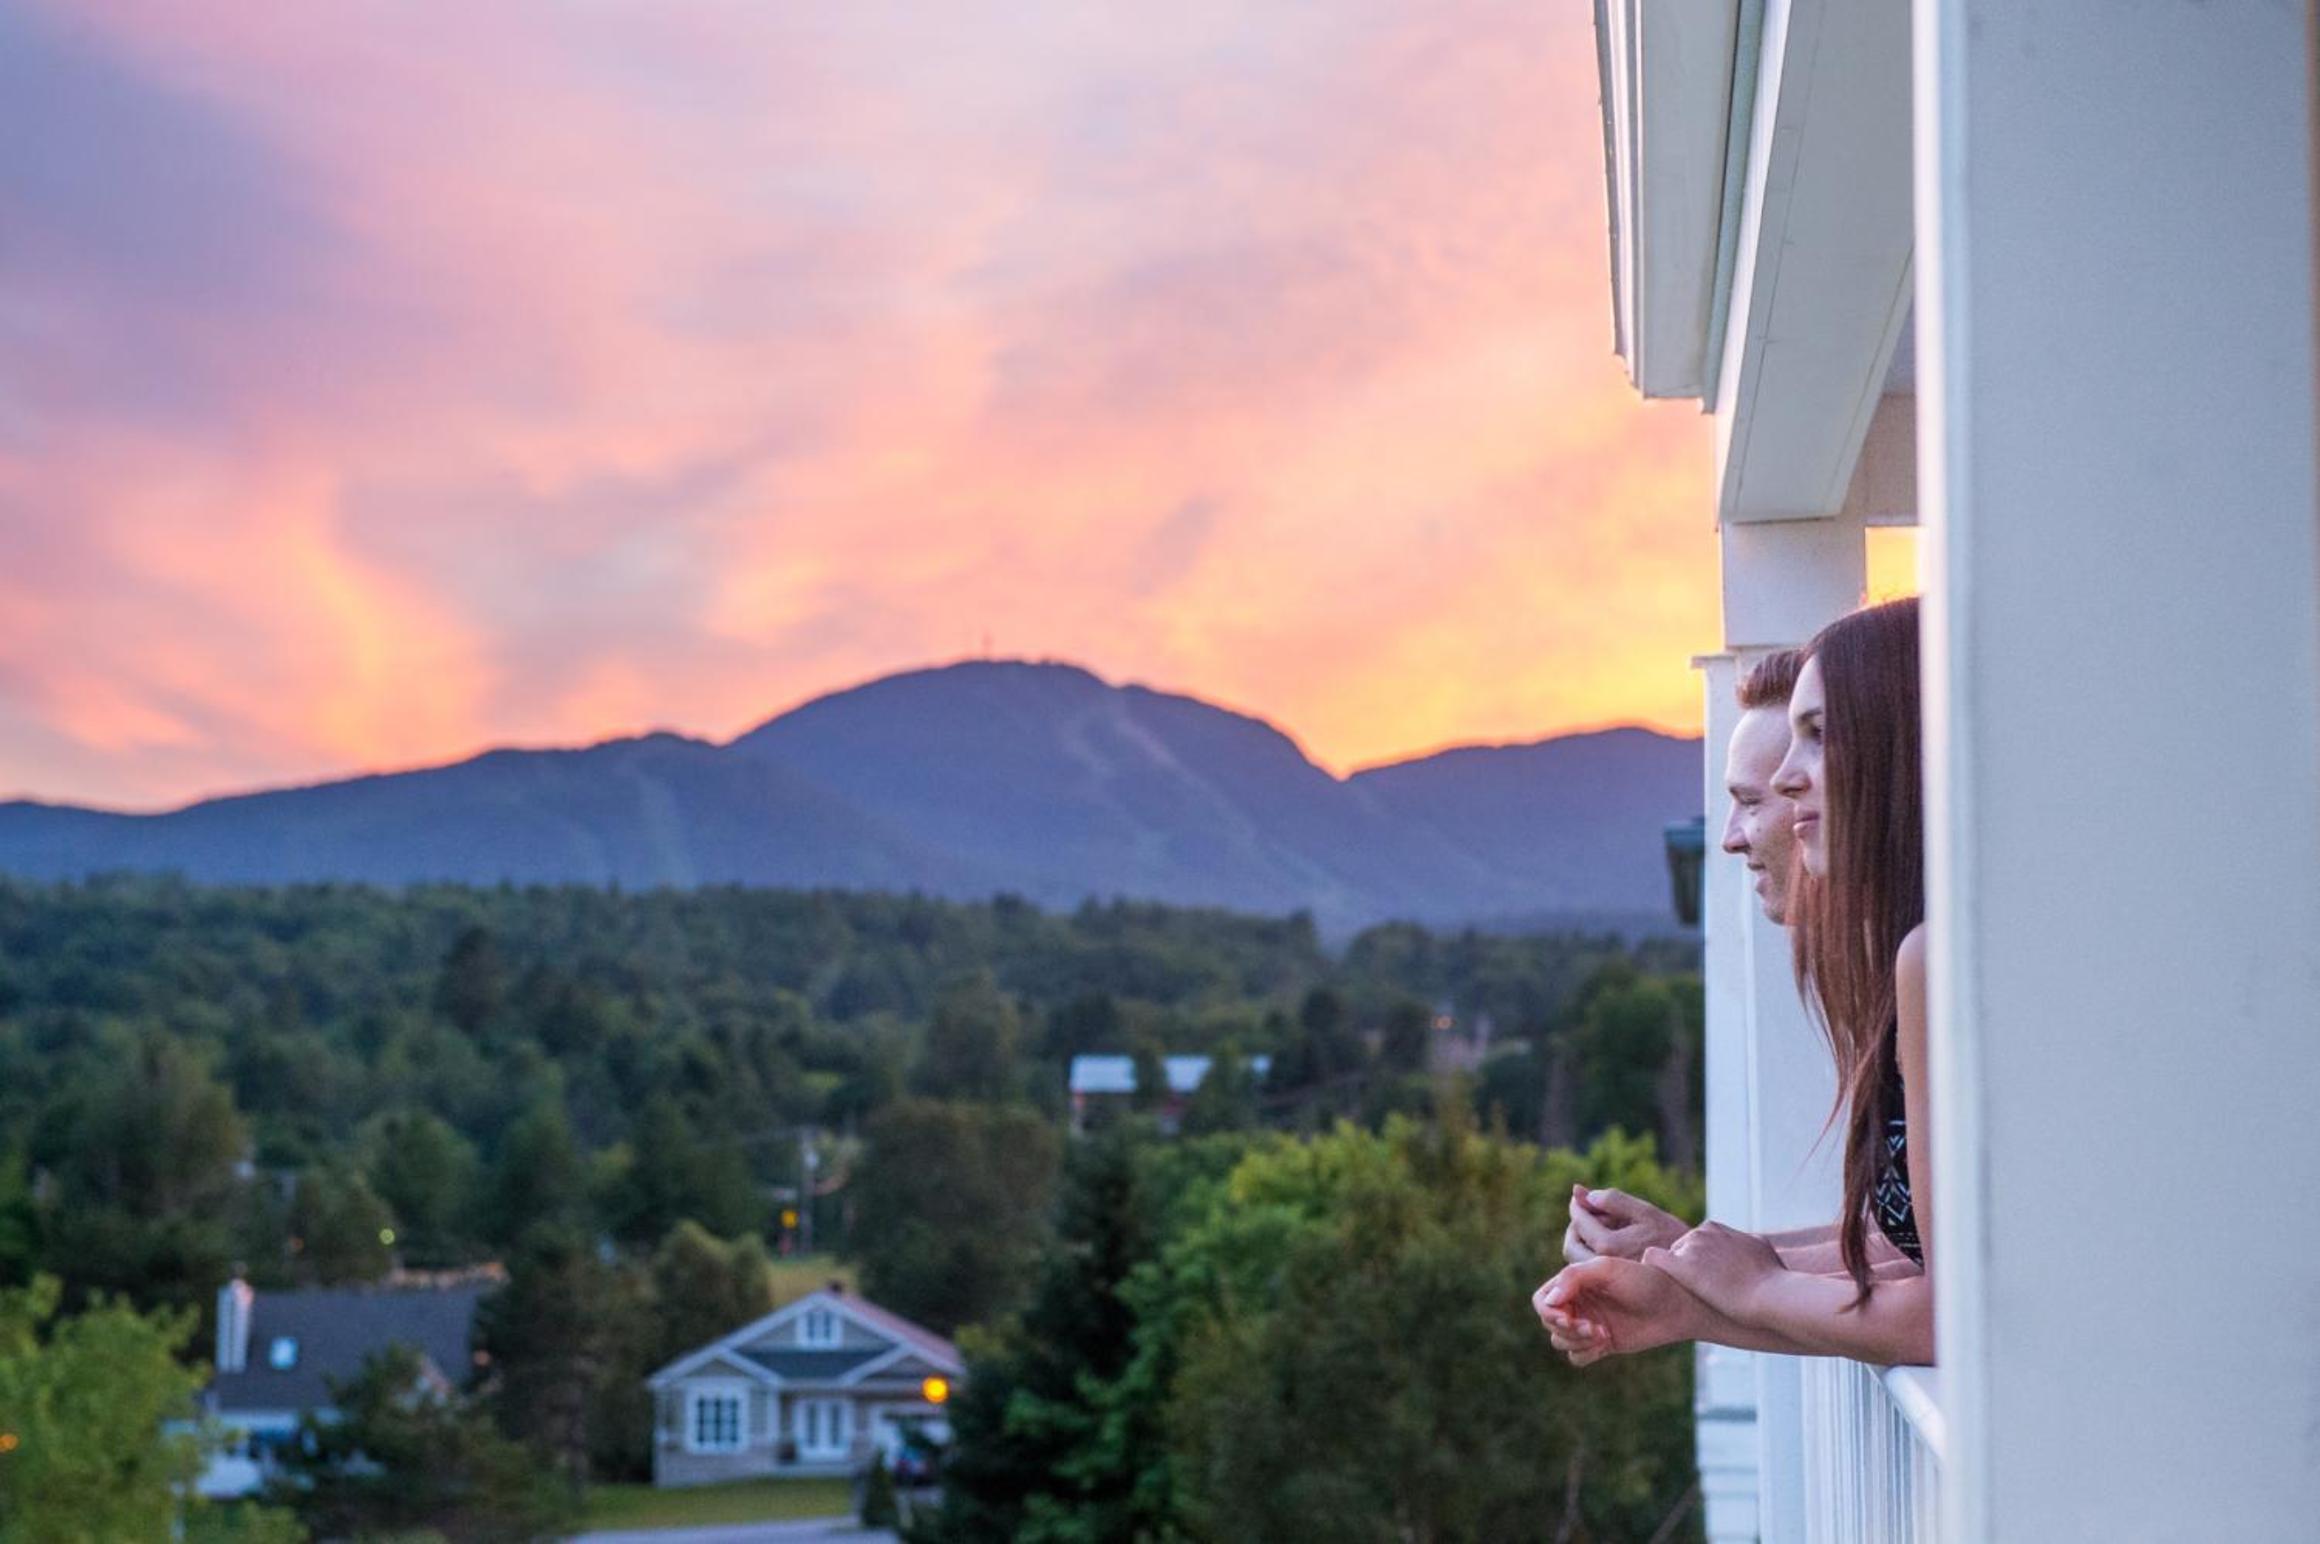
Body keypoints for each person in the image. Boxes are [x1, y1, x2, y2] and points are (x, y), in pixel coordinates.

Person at [1536, 598, 1934, 1367]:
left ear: (1892, 752)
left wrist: (1745, 1286)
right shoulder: (1909, 969)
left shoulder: (1936, 962)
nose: (1731, 835)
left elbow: (1943, 1305)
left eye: (1817, 738)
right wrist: (1689, 1278)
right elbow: (1911, 1253)